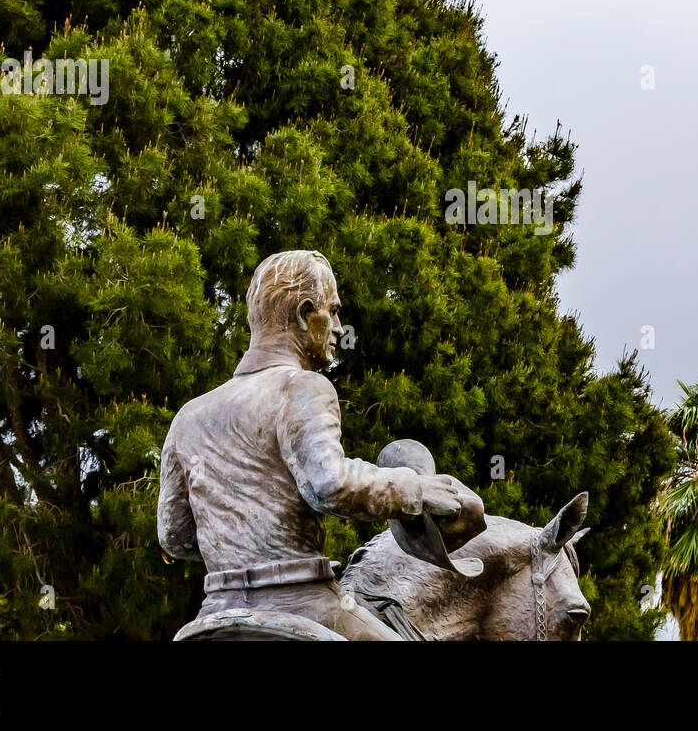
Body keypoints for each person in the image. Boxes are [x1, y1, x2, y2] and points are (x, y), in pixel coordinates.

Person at [158, 250, 477, 640]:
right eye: (333, 311)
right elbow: (329, 485)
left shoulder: (189, 416)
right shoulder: (302, 386)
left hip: (214, 614)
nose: (340, 327)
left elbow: (174, 536)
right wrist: (415, 488)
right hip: (306, 603)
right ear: (305, 314)